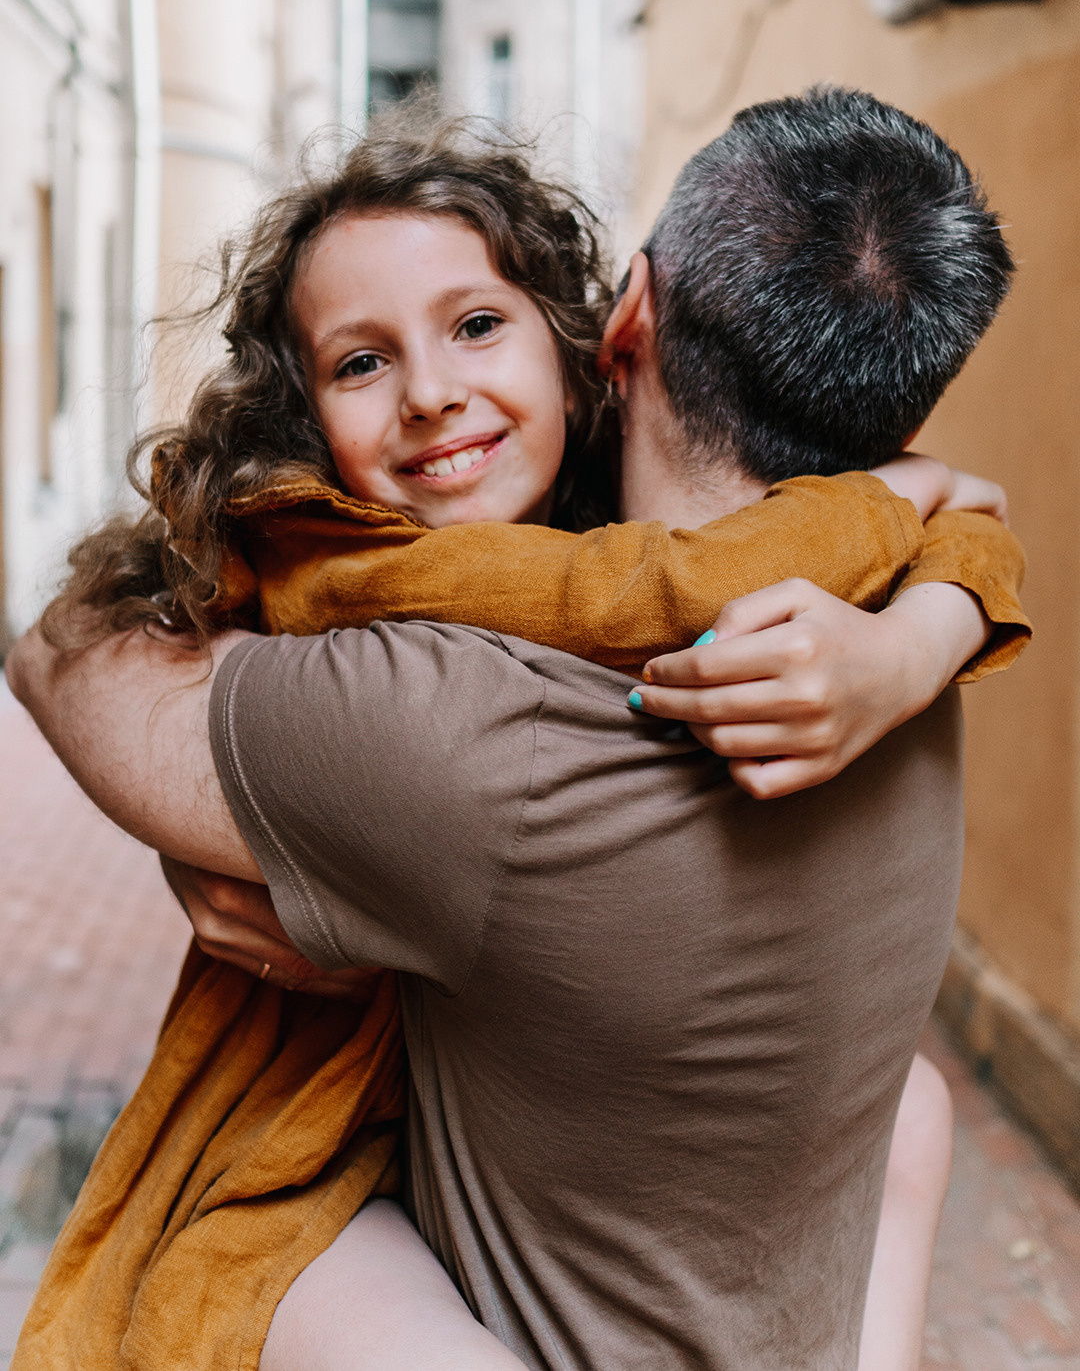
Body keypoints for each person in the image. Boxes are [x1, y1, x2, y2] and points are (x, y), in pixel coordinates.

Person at [9, 90, 1028, 1370]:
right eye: (361, 361)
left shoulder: (457, 726)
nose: (433, 394)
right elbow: (956, 513)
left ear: (610, 328)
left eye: (480, 325)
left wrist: (236, 829)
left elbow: (62, 651)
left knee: (251, 1266)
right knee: (917, 1108)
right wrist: (922, 631)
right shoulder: (872, 619)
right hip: (781, 1305)